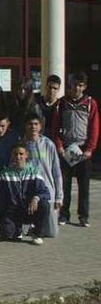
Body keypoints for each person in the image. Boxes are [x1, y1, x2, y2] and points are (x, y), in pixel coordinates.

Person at [51, 72, 98, 227]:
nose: (76, 88)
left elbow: (94, 128)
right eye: (74, 85)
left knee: (84, 185)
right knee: (65, 184)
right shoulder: (62, 103)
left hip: (83, 149)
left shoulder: (90, 103)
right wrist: (59, 147)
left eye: (80, 85)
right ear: (69, 86)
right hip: (66, 149)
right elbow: (55, 127)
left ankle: (83, 216)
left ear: (84, 87)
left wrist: (90, 148)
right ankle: (64, 214)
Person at [0, 143, 51, 245]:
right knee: (6, 234)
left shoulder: (34, 172)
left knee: (45, 205)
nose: (18, 157)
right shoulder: (5, 174)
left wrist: (36, 198)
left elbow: (45, 192)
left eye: (21, 154)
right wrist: (1, 219)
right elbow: (1, 199)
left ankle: (37, 233)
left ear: (26, 155)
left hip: (29, 209)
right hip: (13, 211)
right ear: (12, 155)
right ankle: (16, 229)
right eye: (15, 154)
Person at [24, 114, 63, 238]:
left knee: (51, 233)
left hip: (47, 191)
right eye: (30, 124)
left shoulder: (48, 144)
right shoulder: (21, 145)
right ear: (25, 126)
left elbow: (56, 172)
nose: (33, 127)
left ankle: (36, 227)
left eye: (36, 124)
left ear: (40, 126)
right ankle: (30, 226)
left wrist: (59, 197)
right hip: (28, 190)